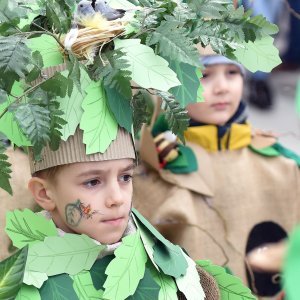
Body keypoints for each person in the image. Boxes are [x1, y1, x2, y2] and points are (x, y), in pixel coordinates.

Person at [133, 45, 300, 299]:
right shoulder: (151, 170)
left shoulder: (282, 165)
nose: (222, 87)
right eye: (204, 75)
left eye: (232, 72)